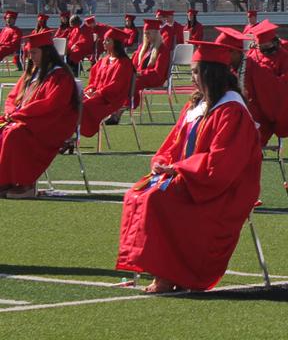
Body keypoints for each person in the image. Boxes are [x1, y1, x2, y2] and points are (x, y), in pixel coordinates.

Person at [115, 41, 262, 292]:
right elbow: (173, 144)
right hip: (190, 178)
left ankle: (168, 275)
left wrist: (179, 169)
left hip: (222, 188)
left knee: (156, 199)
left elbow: (223, 163)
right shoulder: (196, 105)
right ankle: (160, 271)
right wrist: (162, 163)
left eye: (196, 72)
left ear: (211, 74)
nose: (192, 77)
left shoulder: (231, 110)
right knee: (137, 193)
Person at [0, 31, 79, 199]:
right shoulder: (33, 72)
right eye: (29, 53)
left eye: (34, 53)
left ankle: (25, 184)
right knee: (4, 129)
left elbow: (51, 105)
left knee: (14, 133)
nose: (31, 57)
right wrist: (11, 112)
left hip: (50, 124)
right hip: (27, 119)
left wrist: (19, 115)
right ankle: (5, 181)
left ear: (47, 52)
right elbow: (13, 97)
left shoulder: (60, 76)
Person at [243, 21, 288, 147]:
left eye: (266, 45)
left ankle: (251, 146)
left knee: (255, 121)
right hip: (253, 99)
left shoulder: (285, 54)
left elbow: (287, 85)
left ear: (274, 41)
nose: (263, 48)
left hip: (274, 102)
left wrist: (261, 77)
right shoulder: (254, 53)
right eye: (261, 46)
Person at [81, 28, 136, 137]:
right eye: (104, 40)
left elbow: (116, 85)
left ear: (116, 43)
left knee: (83, 106)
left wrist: (98, 93)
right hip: (99, 95)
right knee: (73, 102)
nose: (103, 42)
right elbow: (94, 80)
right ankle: (69, 134)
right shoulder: (103, 60)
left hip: (111, 99)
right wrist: (91, 89)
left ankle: (76, 133)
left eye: (107, 40)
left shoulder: (124, 63)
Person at [133, 19, 171, 104]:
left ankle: (128, 105)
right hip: (141, 76)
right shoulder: (142, 48)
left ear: (156, 33)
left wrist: (140, 73)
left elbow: (158, 73)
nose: (146, 36)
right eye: (145, 33)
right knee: (124, 79)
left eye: (148, 33)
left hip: (154, 78)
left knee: (133, 82)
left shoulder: (162, 49)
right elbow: (134, 64)